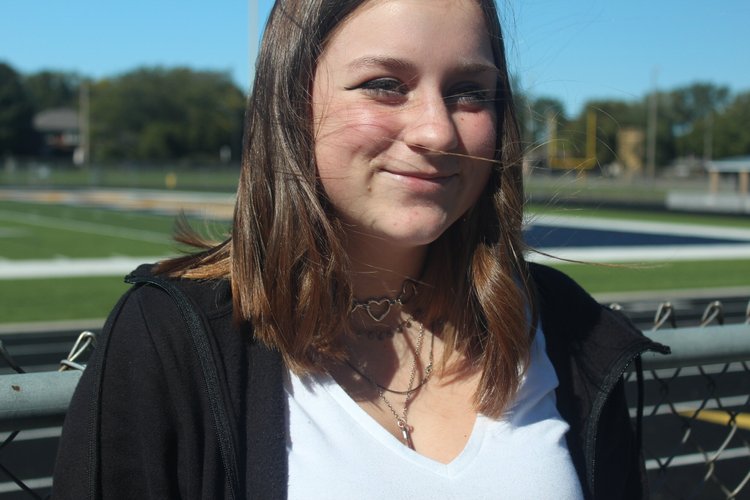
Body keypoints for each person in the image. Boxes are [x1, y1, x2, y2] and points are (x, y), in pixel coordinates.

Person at [53, 0, 669, 499]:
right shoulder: (170, 338)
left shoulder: (566, 328)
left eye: (469, 92)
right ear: (292, 102)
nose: (436, 130)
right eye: (385, 85)